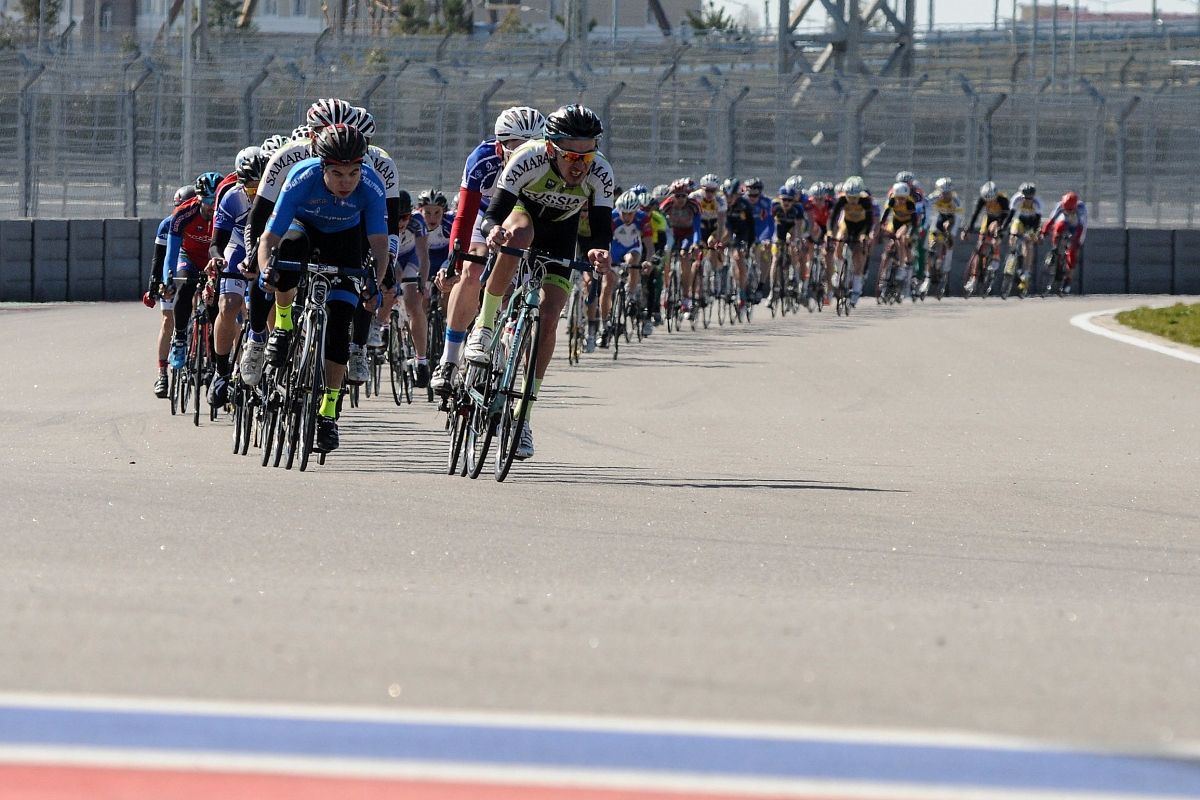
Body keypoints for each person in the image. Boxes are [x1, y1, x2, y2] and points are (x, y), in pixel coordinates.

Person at [462, 104, 614, 461]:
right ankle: (485, 325)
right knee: (518, 236)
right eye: (571, 156)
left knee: (548, 318)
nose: (579, 165)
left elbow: (599, 228)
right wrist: (494, 231)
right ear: (550, 148)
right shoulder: (527, 158)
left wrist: (598, 252)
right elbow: (494, 213)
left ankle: (523, 417)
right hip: (523, 214)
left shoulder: (601, 171)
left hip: (562, 231)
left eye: (587, 155)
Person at [254, 123, 390, 452]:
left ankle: (328, 413)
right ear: (322, 167)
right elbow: (269, 237)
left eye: (353, 173)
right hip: (304, 228)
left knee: (340, 323)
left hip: (345, 240)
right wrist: (266, 271)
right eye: (337, 174)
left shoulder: (371, 185)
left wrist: (375, 283)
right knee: (288, 251)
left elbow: (379, 243)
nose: (346, 182)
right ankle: (284, 325)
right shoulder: (302, 176)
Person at [430, 106, 546, 396]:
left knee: (521, 279)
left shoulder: (546, 161)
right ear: (499, 147)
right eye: (517, 147)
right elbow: (464, 215)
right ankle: (449, 360)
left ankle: (507, 344)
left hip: (522, 218)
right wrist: (454, 262)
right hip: (485, 215)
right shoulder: (482, 159)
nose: (524, 153)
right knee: (473, 267)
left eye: (532, 146)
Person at [146, 185, 195, 397]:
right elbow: (159, 258)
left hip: (193, 267)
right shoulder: (167, 224)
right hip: (173, 272)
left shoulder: (203, 219)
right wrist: (153, 287)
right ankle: (162, 373)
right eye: (177, 207)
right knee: (168, 320)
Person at [1040, 190, 1088, 293]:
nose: (1067, 211)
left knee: (1072, 254)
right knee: (1058, 227)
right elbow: (1051, 220)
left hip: (1076, 226)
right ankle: (1055, 250)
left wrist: (1078, 242)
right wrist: (1043, 233)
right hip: (1064, 223)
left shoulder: (1081, 209)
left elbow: (1082, 228)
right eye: (1065, 209)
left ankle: (1068, 279)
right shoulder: (1060, 206)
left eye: (1070, 210)